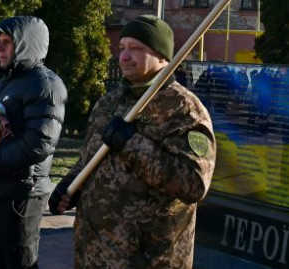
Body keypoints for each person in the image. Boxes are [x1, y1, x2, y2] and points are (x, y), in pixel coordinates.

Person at [49, 15, 216, 269]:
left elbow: (193, 184)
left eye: (136, 49)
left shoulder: (185, 110)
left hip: (145, 259)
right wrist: (71, 186)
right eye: (122, 48)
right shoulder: (109, 103)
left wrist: (132, 144)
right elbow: (88, 159)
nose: (124, 57)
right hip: (93, 254)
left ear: (162, 56)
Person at [0, 16, 66, 269]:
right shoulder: (6, 82)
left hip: (21, 196)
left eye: (6, 42)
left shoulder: (45, 84)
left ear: (26, 45)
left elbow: (39, 142)